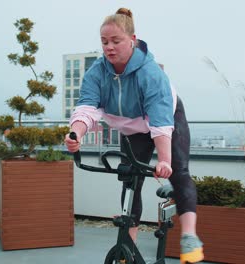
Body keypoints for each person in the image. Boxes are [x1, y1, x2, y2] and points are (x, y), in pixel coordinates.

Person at [64, 8, 204, 263]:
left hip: (165, 119)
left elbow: (160, 120)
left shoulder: (150, 73)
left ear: (133, 40)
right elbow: (87, 108)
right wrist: (76, 134)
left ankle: (190, 235)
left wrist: (163, 160)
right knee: (130, 178)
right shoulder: (98, 72)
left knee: (179, 171)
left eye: (116, 41)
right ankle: (129, 245)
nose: (109, 47)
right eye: (104, 42)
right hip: (131, 128)